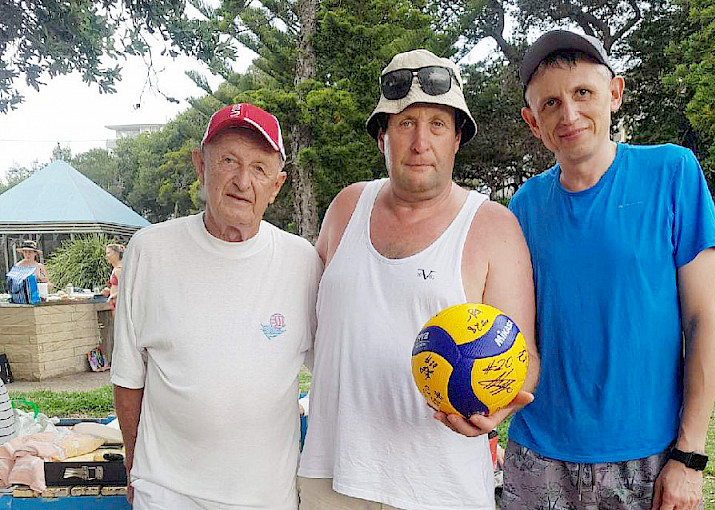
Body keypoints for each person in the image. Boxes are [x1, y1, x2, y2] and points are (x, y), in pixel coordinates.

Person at [298, 49, 539, 510]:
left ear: (456, 140)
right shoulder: (346, 208)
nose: (420, 142)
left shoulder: (492, 226)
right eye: (405, 123)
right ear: (382, 138)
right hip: (331, 478)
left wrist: (500, 406)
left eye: (437, 125)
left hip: (439, 487)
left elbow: (524, 356)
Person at [502, 30, 715, 510]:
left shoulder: (673, 173)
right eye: (550, 104)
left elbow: (705, 319)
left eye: (583, 93)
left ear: (615, 94)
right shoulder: (522, 207)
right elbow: (511, 331)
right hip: (537, 455)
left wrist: (689, 456)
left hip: (648, 458)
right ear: (532, 122)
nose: (569, 114)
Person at [112, 103, 322, 510]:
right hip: (167, 492)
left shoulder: (302, 262)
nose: (243, 180)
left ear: (277, 186)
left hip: (266, 497)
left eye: (260, 168)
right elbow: (127, 375)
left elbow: (332, 370)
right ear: (201, 166)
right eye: (228, 160)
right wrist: (133, 464)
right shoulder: (149, 251)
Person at [100, 243, 124, 308]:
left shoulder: (119, 270)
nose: (106, 256)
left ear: (116, 254)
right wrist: (109, 291)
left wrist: (113, 296)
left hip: (120, 305)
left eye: (108, 253)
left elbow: (126, 289)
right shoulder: (115, 269)